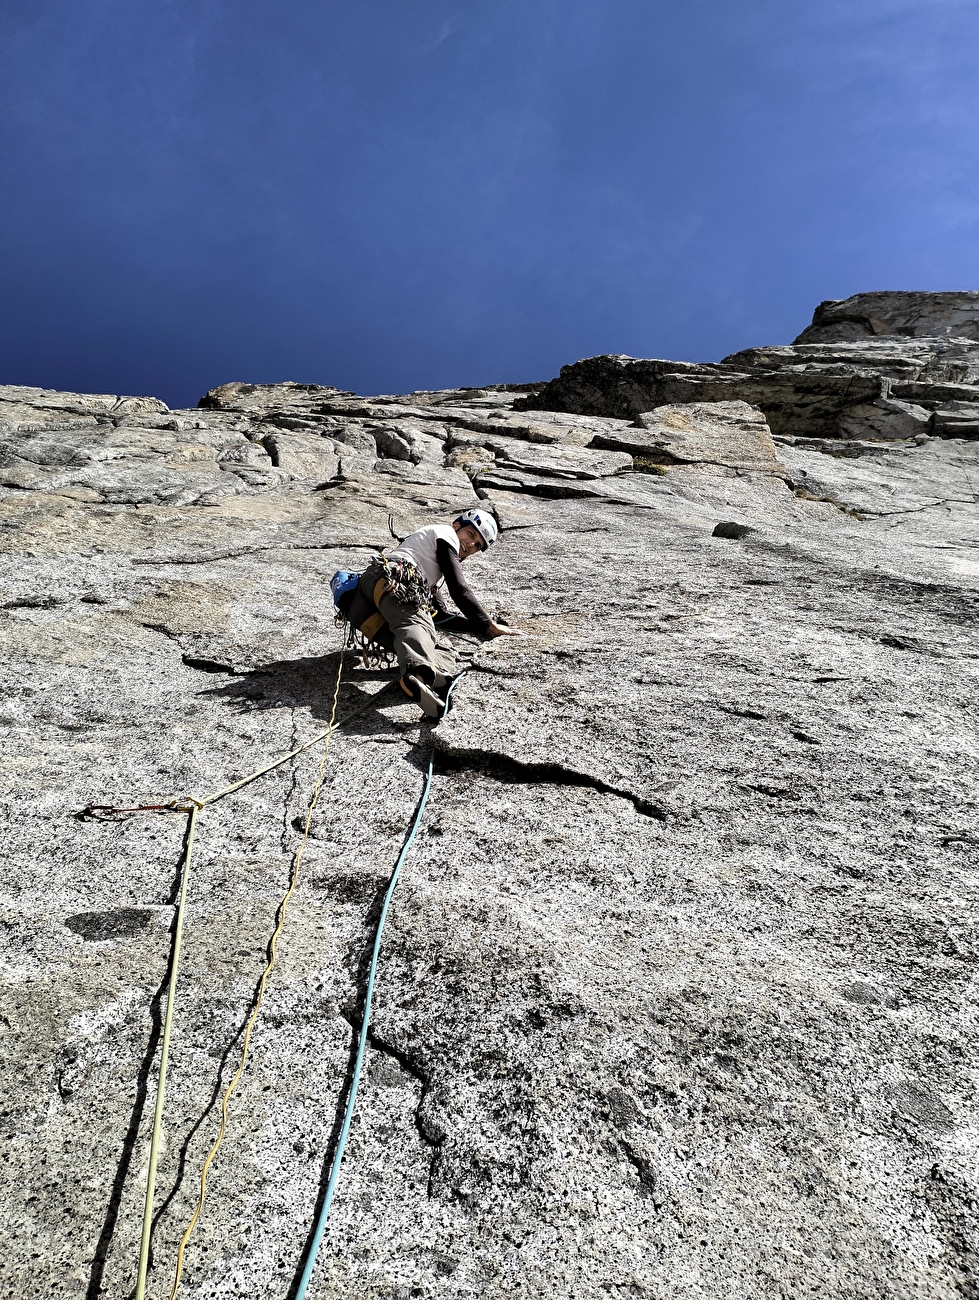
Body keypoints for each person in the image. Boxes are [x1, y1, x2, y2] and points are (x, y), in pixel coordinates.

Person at [345, 508, 521, 719]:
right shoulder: (445, 535)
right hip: (394, 580)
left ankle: (434, 671)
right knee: (417, 624)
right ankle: (417, 676)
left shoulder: (426, 555)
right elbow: (459, 590)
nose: (470, 545)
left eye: (477, 546)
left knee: (435, 644)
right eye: (471, 535)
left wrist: (477, 626)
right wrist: (491, 627)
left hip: (363, 605)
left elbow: (440, 616)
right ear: (457, 525)